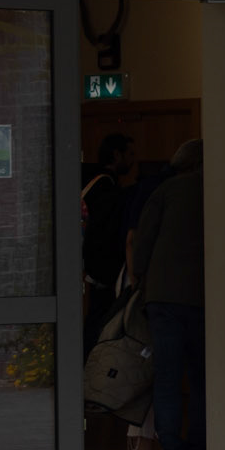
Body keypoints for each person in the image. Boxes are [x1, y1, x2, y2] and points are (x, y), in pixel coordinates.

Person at [130, 138, 206, 450]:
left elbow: (142, 245)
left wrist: (142, 283)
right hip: (207, 297)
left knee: (168, 380)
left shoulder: (164, 191)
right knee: (203, 380)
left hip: (163, 298)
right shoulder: (219, 191)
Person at [81, 133, 135, 346]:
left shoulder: (91, 182)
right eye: (130, 154)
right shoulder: (107, 189)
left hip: (91, 270)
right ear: (116, 155)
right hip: (101, 272)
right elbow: (105, 233)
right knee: (100, 325)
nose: (133, 160)